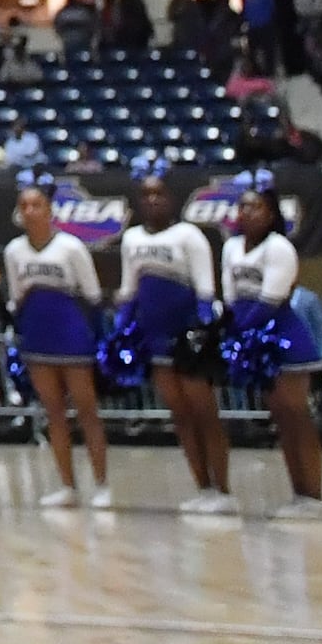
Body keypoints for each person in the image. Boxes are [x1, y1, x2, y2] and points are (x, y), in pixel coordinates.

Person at [115, 174, 228, 514]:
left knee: (205, 413)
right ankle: (202, 487)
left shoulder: (189, 236)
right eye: (146, 195)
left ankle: (223, 490)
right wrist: (122, 329)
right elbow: (129, 290)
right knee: (180, 415)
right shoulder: (131, 238)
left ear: (172, 199)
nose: (152, 201)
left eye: (159, 194)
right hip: (155, 337)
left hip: (187, 338)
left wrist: (202, 333)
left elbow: (206, 291)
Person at [223, 189, 322, 519]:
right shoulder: (230, 247)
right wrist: (227, 328)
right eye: (243, 206)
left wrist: (239, 331)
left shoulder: (280, 247)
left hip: (282, 339)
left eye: (256, 206)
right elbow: (230, 295)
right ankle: (298, 494)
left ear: (270, 214)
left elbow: (271, 299)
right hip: (252, 339)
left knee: (297, 416)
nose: (248, 212)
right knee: (281, 420)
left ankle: (314, 496)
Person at [4, 184, 108, 509]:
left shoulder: (71, 247)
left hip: (72, 335)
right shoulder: (14, 251)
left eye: (37, 205)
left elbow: (92, 296)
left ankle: (102, 484)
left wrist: (92, 337)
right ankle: (67, 486)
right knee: (54, 414)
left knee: (87, 411)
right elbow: (15, 296)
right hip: (37, 336)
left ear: (50, 210)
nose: (31, 211)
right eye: (25, 206)